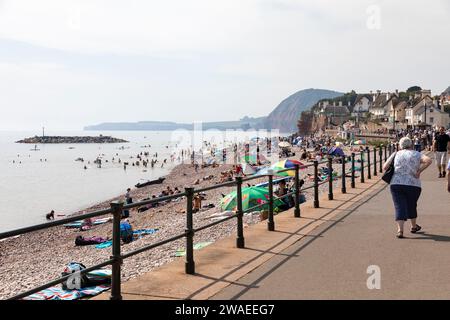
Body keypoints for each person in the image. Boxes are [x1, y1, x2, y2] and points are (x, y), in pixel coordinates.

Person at [383, 137, 432, 239]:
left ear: (401, 145)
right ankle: (414, 226)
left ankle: (400, 230)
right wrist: (419, 171)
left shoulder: (396, 154)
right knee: (412, 205)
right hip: (413, 184)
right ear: (411, 145)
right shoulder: (417, 154)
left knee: (399, 206)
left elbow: (385, 167)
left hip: (396, 183)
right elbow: (428, 160)